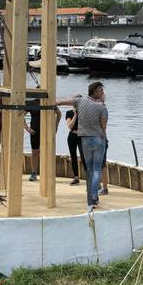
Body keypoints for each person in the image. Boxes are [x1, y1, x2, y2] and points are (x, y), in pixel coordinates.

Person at [57, 81, 108, 211]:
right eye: (101, 91)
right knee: (96, 170)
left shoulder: (80, 101)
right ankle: (93, 196)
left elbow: (67, 101)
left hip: (85, 140)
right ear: (95, 91)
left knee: (89, 170)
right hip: (98, 140)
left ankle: (90, 198)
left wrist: (57, 102)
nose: (103, 93)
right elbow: (103, 128)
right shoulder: (102, 108)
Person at [24, 98, 61, 182]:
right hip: (34, 131)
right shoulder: (32, 103)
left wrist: (56, 125)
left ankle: (47, 173)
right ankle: (34, 173)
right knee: (34, 152)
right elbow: (20, 114)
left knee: (46, 151)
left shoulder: (50, 101)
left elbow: (58, 113)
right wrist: (26, 128)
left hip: (47, 131)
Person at [65, 100, 86, 185]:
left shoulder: (85, 113)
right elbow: (70, 126)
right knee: (73, 157)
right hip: (72, 136)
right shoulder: (69, 113)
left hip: (82, 136)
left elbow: (88, 126)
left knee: (84, 157)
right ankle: (76, 177)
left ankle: (89, 178)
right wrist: (75, 115)